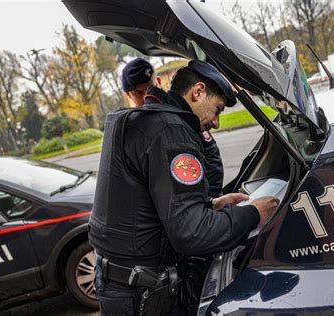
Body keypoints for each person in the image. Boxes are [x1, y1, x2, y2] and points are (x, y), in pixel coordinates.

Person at [91, 60, 280, 315]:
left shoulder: (141, 120)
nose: (216, 123)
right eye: (218, 110)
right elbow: (192, 234)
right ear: (198, 91)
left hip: (119, 283)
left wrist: (211, 205)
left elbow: (142, 203)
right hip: (141, 294)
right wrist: (254, 213)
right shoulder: (171, 131)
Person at [122, 58, 224, 197]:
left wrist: (211, 200)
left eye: (150, 88)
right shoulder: (130, 130)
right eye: (139, 93)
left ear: (158, 82)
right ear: (128, 94)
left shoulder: (178, 117)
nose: (147, 95)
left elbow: (212, 160)